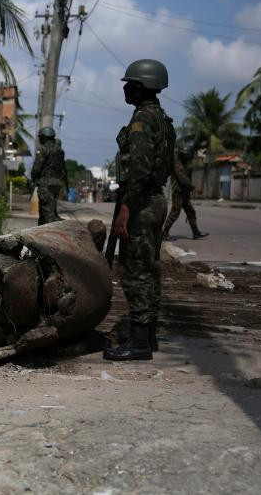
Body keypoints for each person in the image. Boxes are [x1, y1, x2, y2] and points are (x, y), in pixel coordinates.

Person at [103, 59, 175, 361]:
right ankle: (149, 336)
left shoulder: (142, 121)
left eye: (129, 84)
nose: (124, 89)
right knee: (149, 270)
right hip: (154, 201)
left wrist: (125, 210)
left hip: (141, 203)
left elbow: (140, 170)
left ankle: (140, 344)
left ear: (141, 87)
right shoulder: (162, 119)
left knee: (135, 273)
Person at [162, 147, 209, 240]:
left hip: (184, 194)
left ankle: (196, 233)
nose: (189, 158)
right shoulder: (178, 165)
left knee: (190, 212)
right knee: (174, 213)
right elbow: (182, 180)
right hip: (178, 193)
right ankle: (164, 234)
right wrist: (194, 188)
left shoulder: (183, 165)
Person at [31, 127, 68, 225]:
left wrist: (33, 178)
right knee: (50, 211)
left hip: (45, 185)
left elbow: (36, 169)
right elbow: (63, 168)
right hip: (57, 184)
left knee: (47, 215)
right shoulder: (59, 151)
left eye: (40, 137)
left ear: (44, 137)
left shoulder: (43, 149)